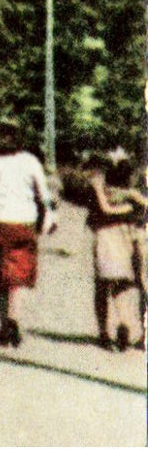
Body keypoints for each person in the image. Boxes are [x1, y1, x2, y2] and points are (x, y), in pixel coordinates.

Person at [0, 118, 56, 347]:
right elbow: (44, 195)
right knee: (17, 276)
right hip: (23, 223)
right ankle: (13, 318)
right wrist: (48, 219)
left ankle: (3, 325)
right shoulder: (31, 162)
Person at [84, 150, 148, 351]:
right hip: (121, 237)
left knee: (104, 285)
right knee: (119, 284)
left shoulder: (104, 189)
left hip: (107, 237)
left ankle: (107, 331)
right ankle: (122, 324)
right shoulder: (127, 195)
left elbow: (100, 211)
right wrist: (130, 207)